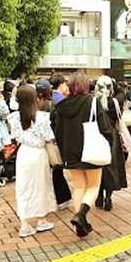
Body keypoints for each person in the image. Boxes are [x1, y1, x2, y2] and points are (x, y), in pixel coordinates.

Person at [52, 73, 112, 237]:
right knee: (93, 186)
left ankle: (80, 226)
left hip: (70, 153)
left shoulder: (61, 106)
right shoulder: (92, 102)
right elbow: (106, 128)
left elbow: (57, 132)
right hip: (91, 151)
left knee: (79, 187)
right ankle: (81, 215)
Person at [7, 85, 57, 237]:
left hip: (23, 154)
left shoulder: (14, 118)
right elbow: (49, 137)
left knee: (23, 188)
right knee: (41, 186)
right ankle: (41, 220)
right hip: (38, 154)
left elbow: (14, 136)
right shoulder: (42, 117)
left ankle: (24, 224)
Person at [94, 76, 127, 211]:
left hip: (97, 135)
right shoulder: (115, 102)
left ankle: (98, 196)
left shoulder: (93, 102)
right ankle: (108, 197)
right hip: (112, 135)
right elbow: (122, 94)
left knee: (97, 165)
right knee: (112, 167)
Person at [48, 76, 72, 209]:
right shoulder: (61, 100)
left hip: (47, 139)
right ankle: (62, 198)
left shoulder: (47, 98)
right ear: (61, 84)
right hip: (56, 139)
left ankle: (61, 198)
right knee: (57, 168)